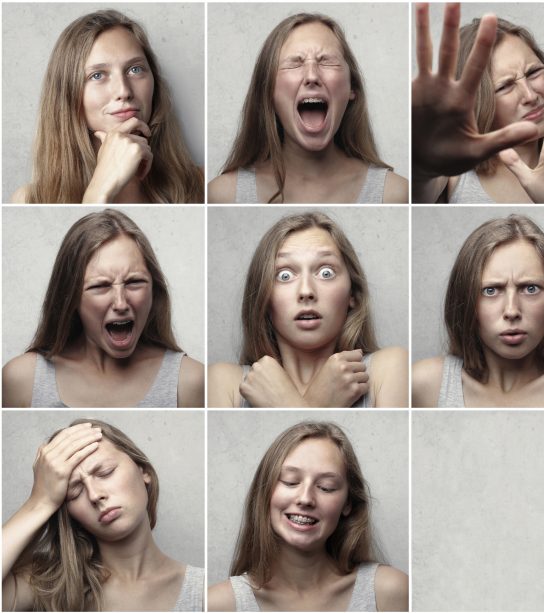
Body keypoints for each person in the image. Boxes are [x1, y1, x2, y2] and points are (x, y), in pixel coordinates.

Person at [412, 3, 544, 204]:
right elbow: (416, 195)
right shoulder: (452, 176)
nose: (530, 95)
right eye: (505, 86)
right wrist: (423, 166)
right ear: (476, 103)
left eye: (533, 72)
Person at [2, 209, 204, 408]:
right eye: (100, 286)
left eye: (134, 282)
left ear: (155, 290)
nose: (121, 303)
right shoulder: (22, 380)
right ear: (70, 297)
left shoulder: (189, 381)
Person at [208, 212, 407, 408]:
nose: (306, 291)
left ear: (352, 294)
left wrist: (285, 403)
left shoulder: (388, 369)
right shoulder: (227, 384)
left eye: (326, 273)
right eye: (284, 275)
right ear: (263, 298)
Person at [2, 419, 204, 611]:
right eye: (75, 491)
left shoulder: (203, 592)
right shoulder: (49, 586)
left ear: (144, 472)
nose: (95, 495)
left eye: (105, 472)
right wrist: (40, 501)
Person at [412, 214, 544, 407]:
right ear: (465, 301)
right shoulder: (426, 385)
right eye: (490, 290)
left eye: (530, 288)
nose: (511, 311)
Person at [207, 421, 408, 612]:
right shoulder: (217, 604)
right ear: (265, 492)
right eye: (290, 481)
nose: (305, 499)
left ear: (348, 503)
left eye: (325, 488)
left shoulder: (389, 591)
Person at [208, 13, 407, 204]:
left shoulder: (394, 194)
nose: (312, 76)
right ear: (267, 91)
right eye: (295, 63)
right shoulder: (222, 195)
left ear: (351, 88)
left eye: (326, 61)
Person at [11, 10, 203, 204]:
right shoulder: (31, 200)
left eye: (135, 69)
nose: (123, 91)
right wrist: (98, 191)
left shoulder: (199, 185)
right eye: (97, 75)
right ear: (67, 93)